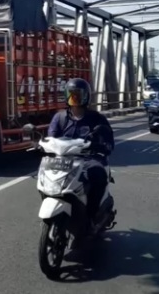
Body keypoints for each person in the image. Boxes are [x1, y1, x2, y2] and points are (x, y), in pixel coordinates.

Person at [47, 78, 115, 230]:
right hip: (65, 159)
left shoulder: (97, 119)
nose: (75, 99)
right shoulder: (60, 118)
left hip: (89, 158)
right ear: (66, 96)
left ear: (86, 97)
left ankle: (92, 216)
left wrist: (103, 145)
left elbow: (108, 141)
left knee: (97, 176)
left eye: (78, 95)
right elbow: (51, 138)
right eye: (71, 95)